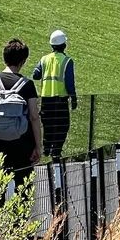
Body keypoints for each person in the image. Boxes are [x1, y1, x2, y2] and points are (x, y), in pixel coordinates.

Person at [0, 38, 42, 197]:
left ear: (4, 58)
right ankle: (20, 222)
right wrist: (38, 146)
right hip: (22, 145)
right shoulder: (27, 85)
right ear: (23, 61)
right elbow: (34, 116)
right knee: (23, 191)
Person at [32, 30, 78, 158]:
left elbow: (35, 75)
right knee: (62, 126)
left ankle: (46, 150)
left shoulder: (44, 59)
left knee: (48, 126)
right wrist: (73, 98)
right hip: (61, 100)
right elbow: (69, 82)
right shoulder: (67, 61)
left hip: (46, 100)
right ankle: (56, 151)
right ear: (64, 45)